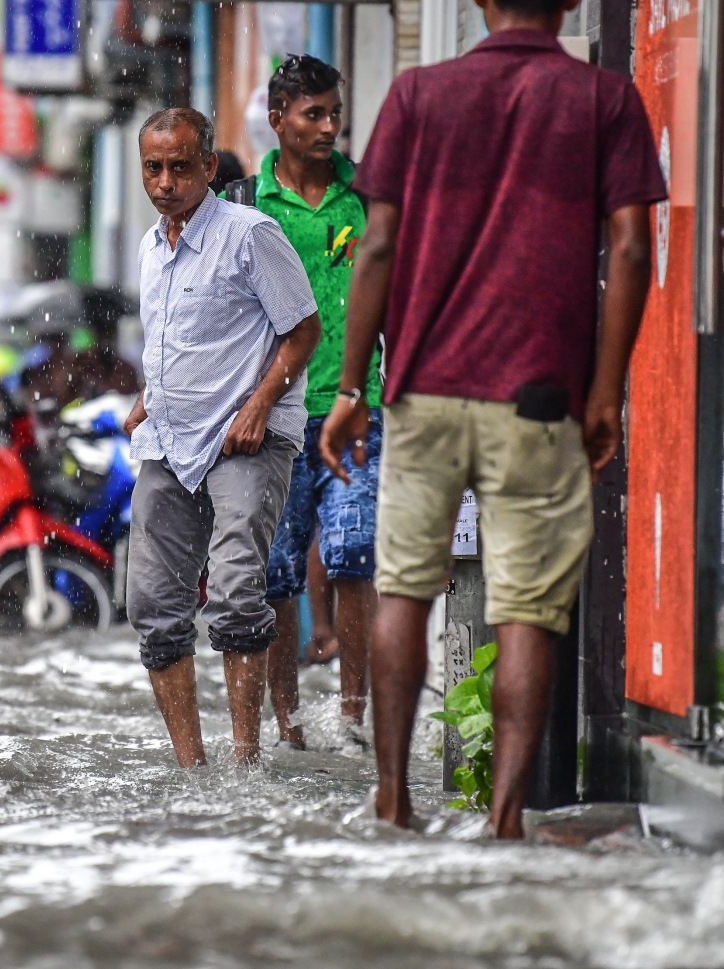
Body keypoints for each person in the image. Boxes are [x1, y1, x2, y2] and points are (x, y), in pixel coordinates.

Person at [320, 0, 665, 837]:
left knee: (403, 589)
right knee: (525, 611)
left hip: (424, 390)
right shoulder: (604, 98)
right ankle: (505, 820)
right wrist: (606, 391)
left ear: (478, 3)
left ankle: (395, 801)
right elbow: (628, 248)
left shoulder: (417, 95)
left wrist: (351, 388)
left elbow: (376, 246)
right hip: (539, 400)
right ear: (569, 6)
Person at [122, 106, 322, 767]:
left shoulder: (249, 235)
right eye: (153, 167)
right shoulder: (152, 248)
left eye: (181, 166)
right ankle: (191, 767)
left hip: (247, 437)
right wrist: (148, 397)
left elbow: (303, 330)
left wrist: (261, 403)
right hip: (169, 438)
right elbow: (175, 341)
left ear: (209, 167)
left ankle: (244, 762)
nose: (165, 181)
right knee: (151, 602)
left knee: (238, 592)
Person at [222, 54, 381, 753]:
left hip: (358, 408)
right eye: (313, 114)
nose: (328, 128)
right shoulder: (244, 204)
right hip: (276, 416)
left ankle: (352, 718)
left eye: (335, 115)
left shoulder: (365, 201)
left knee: (352, 557)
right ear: (277, 116)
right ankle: (288, 725)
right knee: (278, 571)